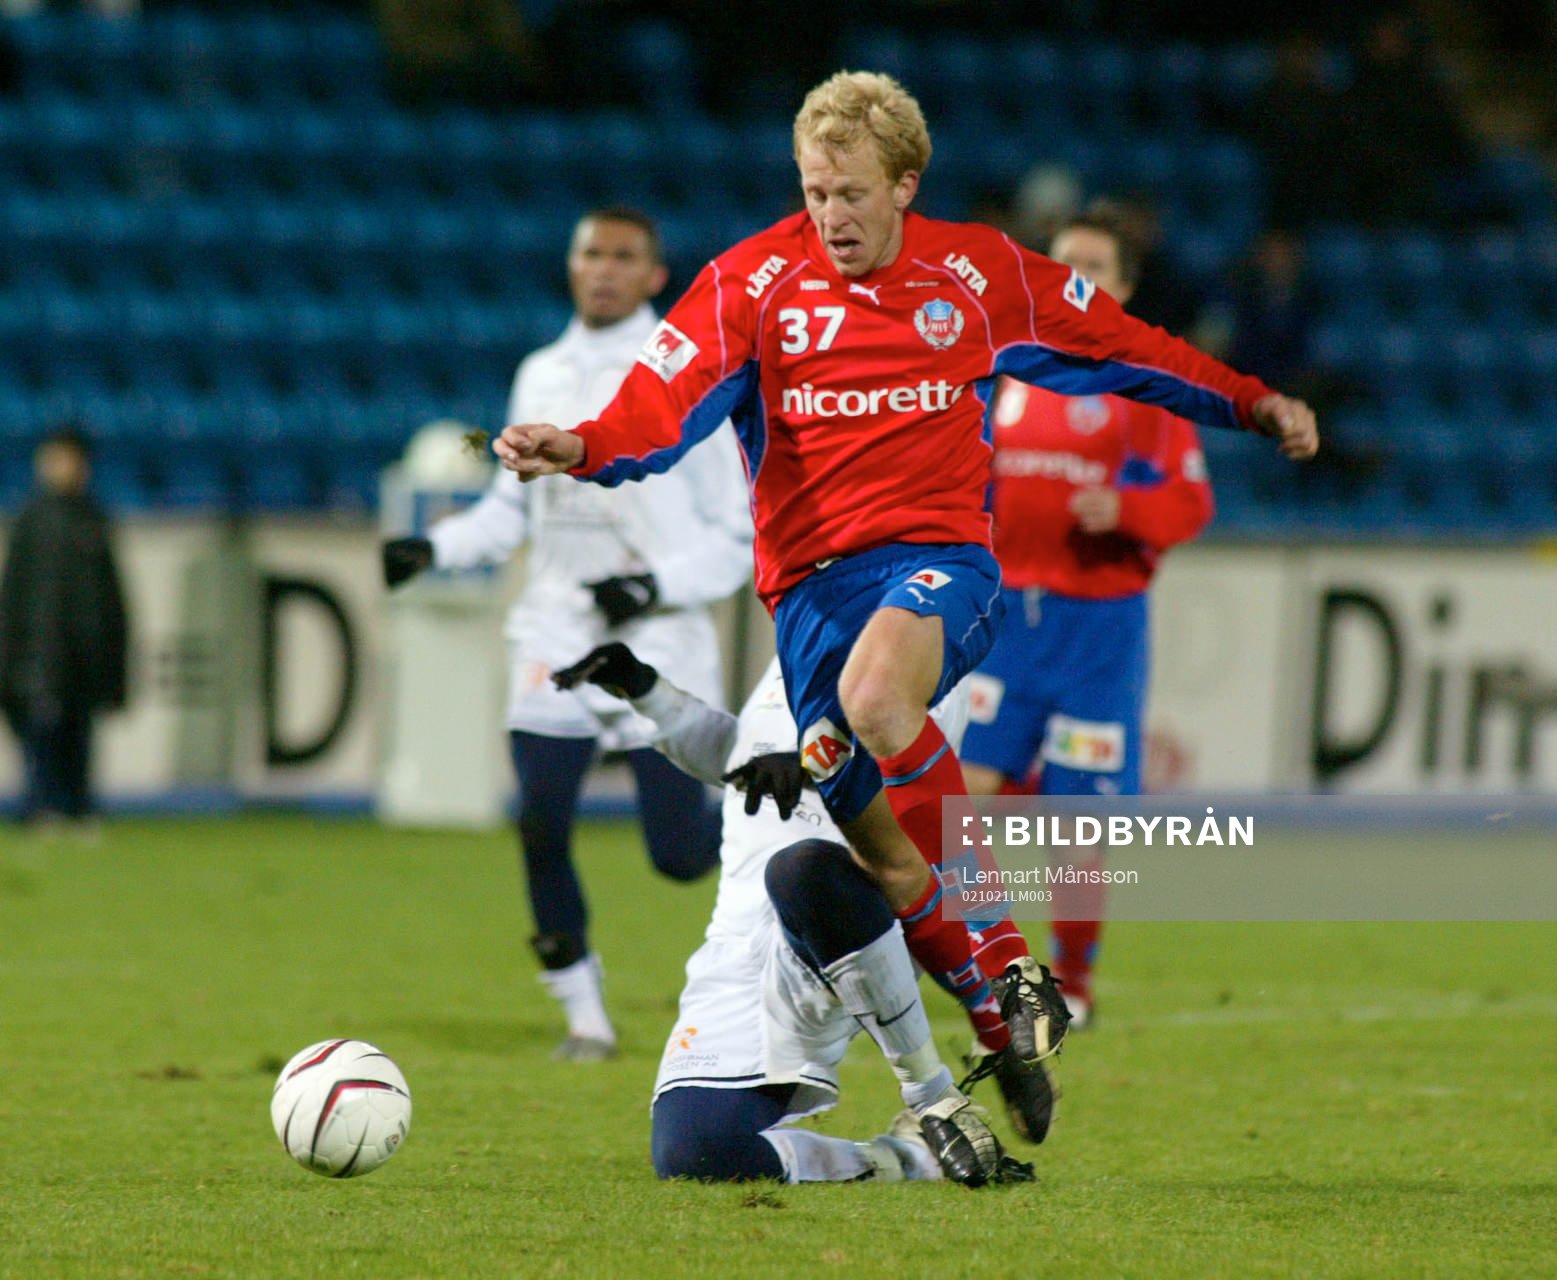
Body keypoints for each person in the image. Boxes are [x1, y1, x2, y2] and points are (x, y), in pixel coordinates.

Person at [493, 73, 1317, 1098]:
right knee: (886, 857)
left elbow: (1117, 345)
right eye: (813, 193)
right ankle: (999, 1018)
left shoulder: (976, 273)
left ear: (903, 184)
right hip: (808, 608)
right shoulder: (750, 285)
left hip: (942, 572)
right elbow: (656, 410)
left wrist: (1248, 401)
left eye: (849, 193)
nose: (829, 217)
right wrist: (580, 444)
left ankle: (1016, 963)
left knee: (878, 700)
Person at [382, 207, 754, 1061]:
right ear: (570, 261)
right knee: (539, 822)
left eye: (625, 257)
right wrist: (429, 547)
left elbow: (735, 533)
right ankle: (585, 1016)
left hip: (655, 641)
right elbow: (512, 507)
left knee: (679, 857)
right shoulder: (540, 372)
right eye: (591, 252)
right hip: (556, 627)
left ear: (655, 275)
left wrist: (653, 583)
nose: (604, 269)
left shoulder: (688, 373)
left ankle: (790, 873)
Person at [552, 641, 1040, 1186]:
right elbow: (739, 762)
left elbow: (919, 797)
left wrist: (821, 770)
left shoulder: (915, 628)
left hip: (843, 919)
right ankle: (909, 1158)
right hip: (737, 938)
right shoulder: (800, 623)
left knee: (800, 870)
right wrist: (646, 690)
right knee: (696, 1152)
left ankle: (934, 1095)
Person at [959, 209, 1216, 1027]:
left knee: (1075, 825)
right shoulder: (1006, 372)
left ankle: (1072, 984)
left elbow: (1189, 499)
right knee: (960, 800)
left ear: (1124, 289)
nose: (1076, 277)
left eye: (1095, 266)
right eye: (1064, 262)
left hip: (1097, 635)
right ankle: (972, 961)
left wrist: (1130, 509)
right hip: (1005, 626)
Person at [0, 427, 129, 830]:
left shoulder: (93, 518)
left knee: (80, 733)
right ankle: (41, 807)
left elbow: (111, 596)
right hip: (39, 654)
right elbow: (14, 594)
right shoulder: (32, 521)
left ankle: (79, 807)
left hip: (85, 654)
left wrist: (113, 655)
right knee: (42, 734)